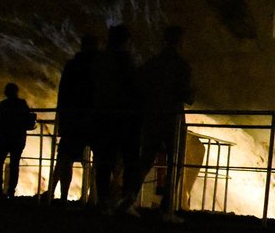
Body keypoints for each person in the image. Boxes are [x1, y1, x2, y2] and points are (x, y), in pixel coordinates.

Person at [121, 25, 194, 216]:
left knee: (145, 160)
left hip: (152, 117)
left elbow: (138, 85)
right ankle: (166, 208)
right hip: (172, 119)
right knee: (174, 163)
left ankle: (129, 196)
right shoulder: (181, 65)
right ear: (179, 42)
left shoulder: (153, 63)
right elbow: (186, 94)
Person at [91, 25, 139, 211]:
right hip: (124, 117)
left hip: (103, 115)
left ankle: (103, 200)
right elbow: (133, 87)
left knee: (104, 160)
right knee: (130, 159)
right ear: (126, 41)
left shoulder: (99, 61)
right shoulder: (125, 61)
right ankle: (126, 198)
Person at [46, 34, 98, 202]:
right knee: (96, 160)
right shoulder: (99, 67)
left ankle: (61, 196)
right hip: (93, 119)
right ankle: (92, 198)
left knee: (64, 158)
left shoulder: (72, 66)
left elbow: (63, 94)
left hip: (73, 119)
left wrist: (62, 118)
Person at [0, 82, 37, 196]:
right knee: (14, 164)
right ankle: (11, 190)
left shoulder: (4, 104)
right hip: (17, 138)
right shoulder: (22, 104)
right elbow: (28, 120)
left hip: (5, 138)